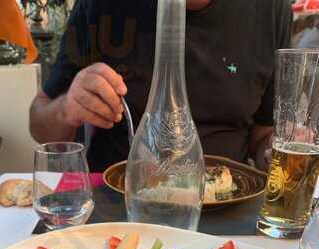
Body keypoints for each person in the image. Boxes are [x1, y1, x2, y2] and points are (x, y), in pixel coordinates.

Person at [30, 0, 293, 172]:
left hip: (229, 204)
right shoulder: (101, 4)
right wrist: (66, 109)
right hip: (118, 203)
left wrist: (276, 154)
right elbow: (39, 122)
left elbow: (262, 136)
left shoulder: (271, 10)